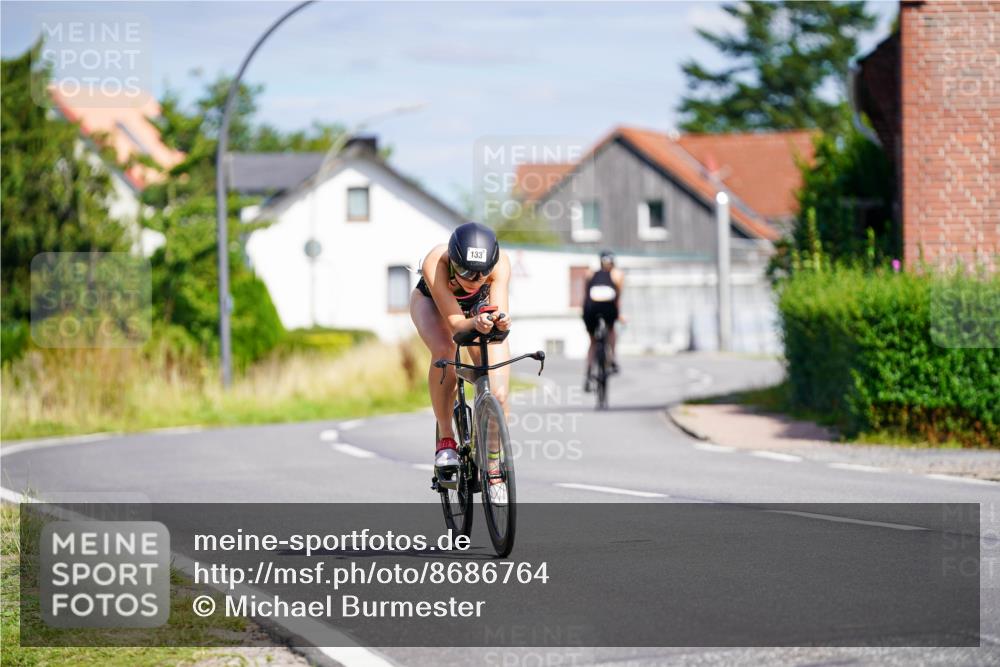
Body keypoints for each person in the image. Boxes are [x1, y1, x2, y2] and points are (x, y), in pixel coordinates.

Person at [410, 222, 512, 476]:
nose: (474, 280)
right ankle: (446, 438)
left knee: (498, 391)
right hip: (433, 304)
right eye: (465, 272)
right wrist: (475, 322)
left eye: (481, 274)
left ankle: (492, 464)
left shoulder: (501, 264)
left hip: (478, 309)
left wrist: (499, 320)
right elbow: (456, 325)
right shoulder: (436, 261)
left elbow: (497, 312)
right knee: (445, 352)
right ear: (454, 261)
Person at [582, 250, 624, 391]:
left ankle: (588, 374)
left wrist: (584, 313)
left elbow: (586, 295)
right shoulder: (617, 274)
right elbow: (618, 297)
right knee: (611, 330)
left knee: (593, 341)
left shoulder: (590, 273)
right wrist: (619, 315)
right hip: (608, 308)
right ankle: (612, 359)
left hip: (591, 308)